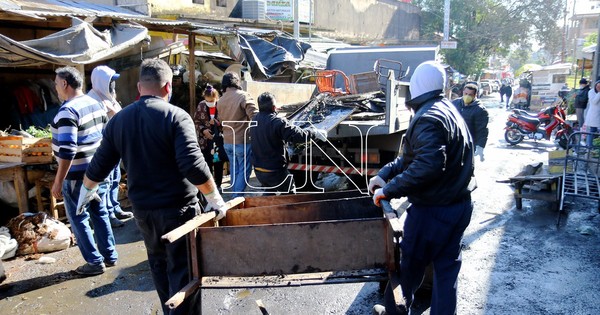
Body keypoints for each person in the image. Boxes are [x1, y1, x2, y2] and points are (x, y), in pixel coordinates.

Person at [80, 59, 228, 314]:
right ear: (168, 86)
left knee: (159, 268)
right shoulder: (176, 116)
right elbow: (192, 165)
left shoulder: (119, 120)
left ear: (139, 87)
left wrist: (86, 191)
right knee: (184, 274)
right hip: (178, 211)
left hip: (144, 214)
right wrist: (215, 198)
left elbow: (98, 165)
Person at [369, 61, 475, 315]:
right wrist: (384, 175)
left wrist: (388, 191)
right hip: (459, 205)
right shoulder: (448, 110)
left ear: (415, 87)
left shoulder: (427, 118)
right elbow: (410, 159)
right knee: (446, 272)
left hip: (433, 211)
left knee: (409, 267)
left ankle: (393, 311)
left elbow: (428, 165)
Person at [50, 66, 117, 276]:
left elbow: (67, 151)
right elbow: (107, 135)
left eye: (56, 84)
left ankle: (95, 262)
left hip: (78, 176)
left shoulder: (67, 111)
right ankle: (109, 255)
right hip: (99, 171)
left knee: (78, 217)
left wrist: (58, 181)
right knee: (100, 212)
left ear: (64, 84)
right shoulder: (95, 104)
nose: (56, 88)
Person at [249, 92, 326, 194]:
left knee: (270, 192)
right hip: (275, 170)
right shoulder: (277, 122)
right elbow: (298, 136)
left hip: (259, 170)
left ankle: (266, 209)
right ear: (274, 107)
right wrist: (314, 132)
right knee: (289, 193)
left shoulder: (254, 120)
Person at [87, 65, 134, 228]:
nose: (113, 86)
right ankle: (108, 214)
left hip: (115, 147)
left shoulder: (109, 99)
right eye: (110, 82)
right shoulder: (92, 100)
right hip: (103, 149)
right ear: (101, 82)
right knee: (105, 183)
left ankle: (114, 207)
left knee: (114, 180)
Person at [217, 72, 258, 198]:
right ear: (237, 82)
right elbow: (255, 117)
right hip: (242, 141)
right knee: (244, 171)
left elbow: (220, 120)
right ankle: (236, 198)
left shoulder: (221, 100)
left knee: (235, 170)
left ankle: (234, 196)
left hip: (228, 142)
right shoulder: (243, 96)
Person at [193, 84, 227, 191]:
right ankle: (209, 186)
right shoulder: (201, 105)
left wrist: (217, 123)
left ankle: (218, 185)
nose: (210, 103)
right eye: (208, 101)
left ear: (216, 98)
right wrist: (204, 130)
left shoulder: (221, 105)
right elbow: (197, 121)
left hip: (218, 140)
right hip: (205, 141)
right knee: (207, 163)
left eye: (212, 101)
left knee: (218, 163)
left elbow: (226, 120)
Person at [452, 83, 489, 162]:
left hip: (469, 144)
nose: (467, 96)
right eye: (466, 93)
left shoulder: (480, 110)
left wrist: (480, 146)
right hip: (454, 142)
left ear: (475, 95)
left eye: (470, 94)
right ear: (463, 92)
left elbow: (482, 130)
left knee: (465, 168)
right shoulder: (454, 104)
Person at [585, 80, 600, 147]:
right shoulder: (591, 92)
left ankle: (595, 146)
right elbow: (594, 101)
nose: (598, 87)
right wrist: (599, 93)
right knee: (592, 130)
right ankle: (589, 146)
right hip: (594, 115)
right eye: (597, 86)